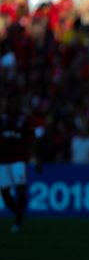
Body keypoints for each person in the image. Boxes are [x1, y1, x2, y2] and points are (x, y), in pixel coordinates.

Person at [0, 96, 42, 233]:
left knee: (21, 192)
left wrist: (35, 157)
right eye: (10, 102)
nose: (12, 106)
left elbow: (33, 138)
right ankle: (20, 213)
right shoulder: (2, 119)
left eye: (15, 103)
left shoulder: (24, 120)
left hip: (19, 158)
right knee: (5, 194)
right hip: (3, 160)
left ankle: (18, 221)